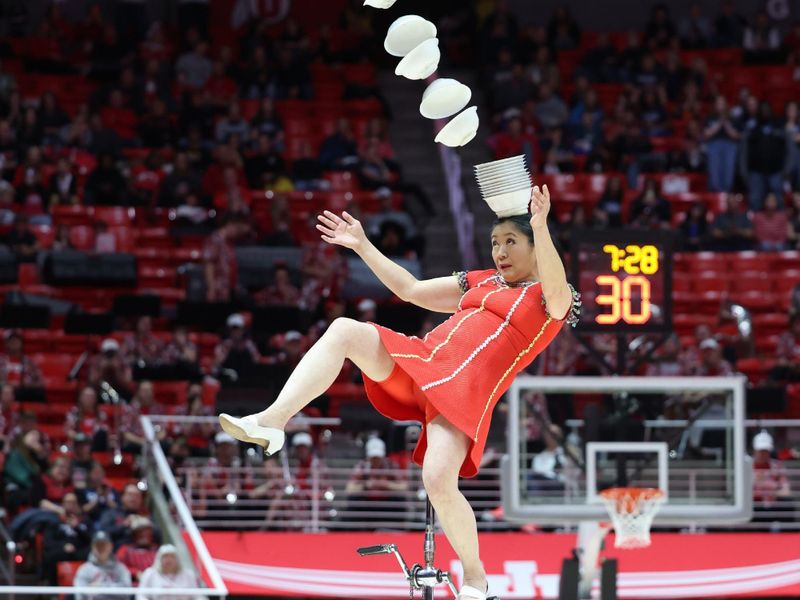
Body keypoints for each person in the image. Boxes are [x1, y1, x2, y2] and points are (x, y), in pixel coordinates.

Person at [219, 181, 579, 600]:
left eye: (511, 241)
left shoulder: (552, 299)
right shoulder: (482, 281)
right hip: (423, 362)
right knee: (345, 331)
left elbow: (556, 295)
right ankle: (274, 421)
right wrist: (362, 245)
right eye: (495, 241)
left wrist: (541, 223)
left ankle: (476, 578)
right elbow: (410, 290)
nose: (499, 251)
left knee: (438, 480)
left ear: (536, 245)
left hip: (463, 394)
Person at [74, 530, 132, 600]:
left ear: (111, 546)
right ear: (92, 547)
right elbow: (80, 596)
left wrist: (101, 587)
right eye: (98, 545)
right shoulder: (84, 569)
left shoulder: (121, 568)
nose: (101, 548)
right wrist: (113, 590)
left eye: (104, 544)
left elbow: (127, 593)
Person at [137, 544, 206, 600]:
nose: (169, 560)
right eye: (165, 556)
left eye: (172, 556)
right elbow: (141, 596)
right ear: (159, 559)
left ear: (177, 559)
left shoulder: (188, 574)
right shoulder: (150, 573)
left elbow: (198, 596)